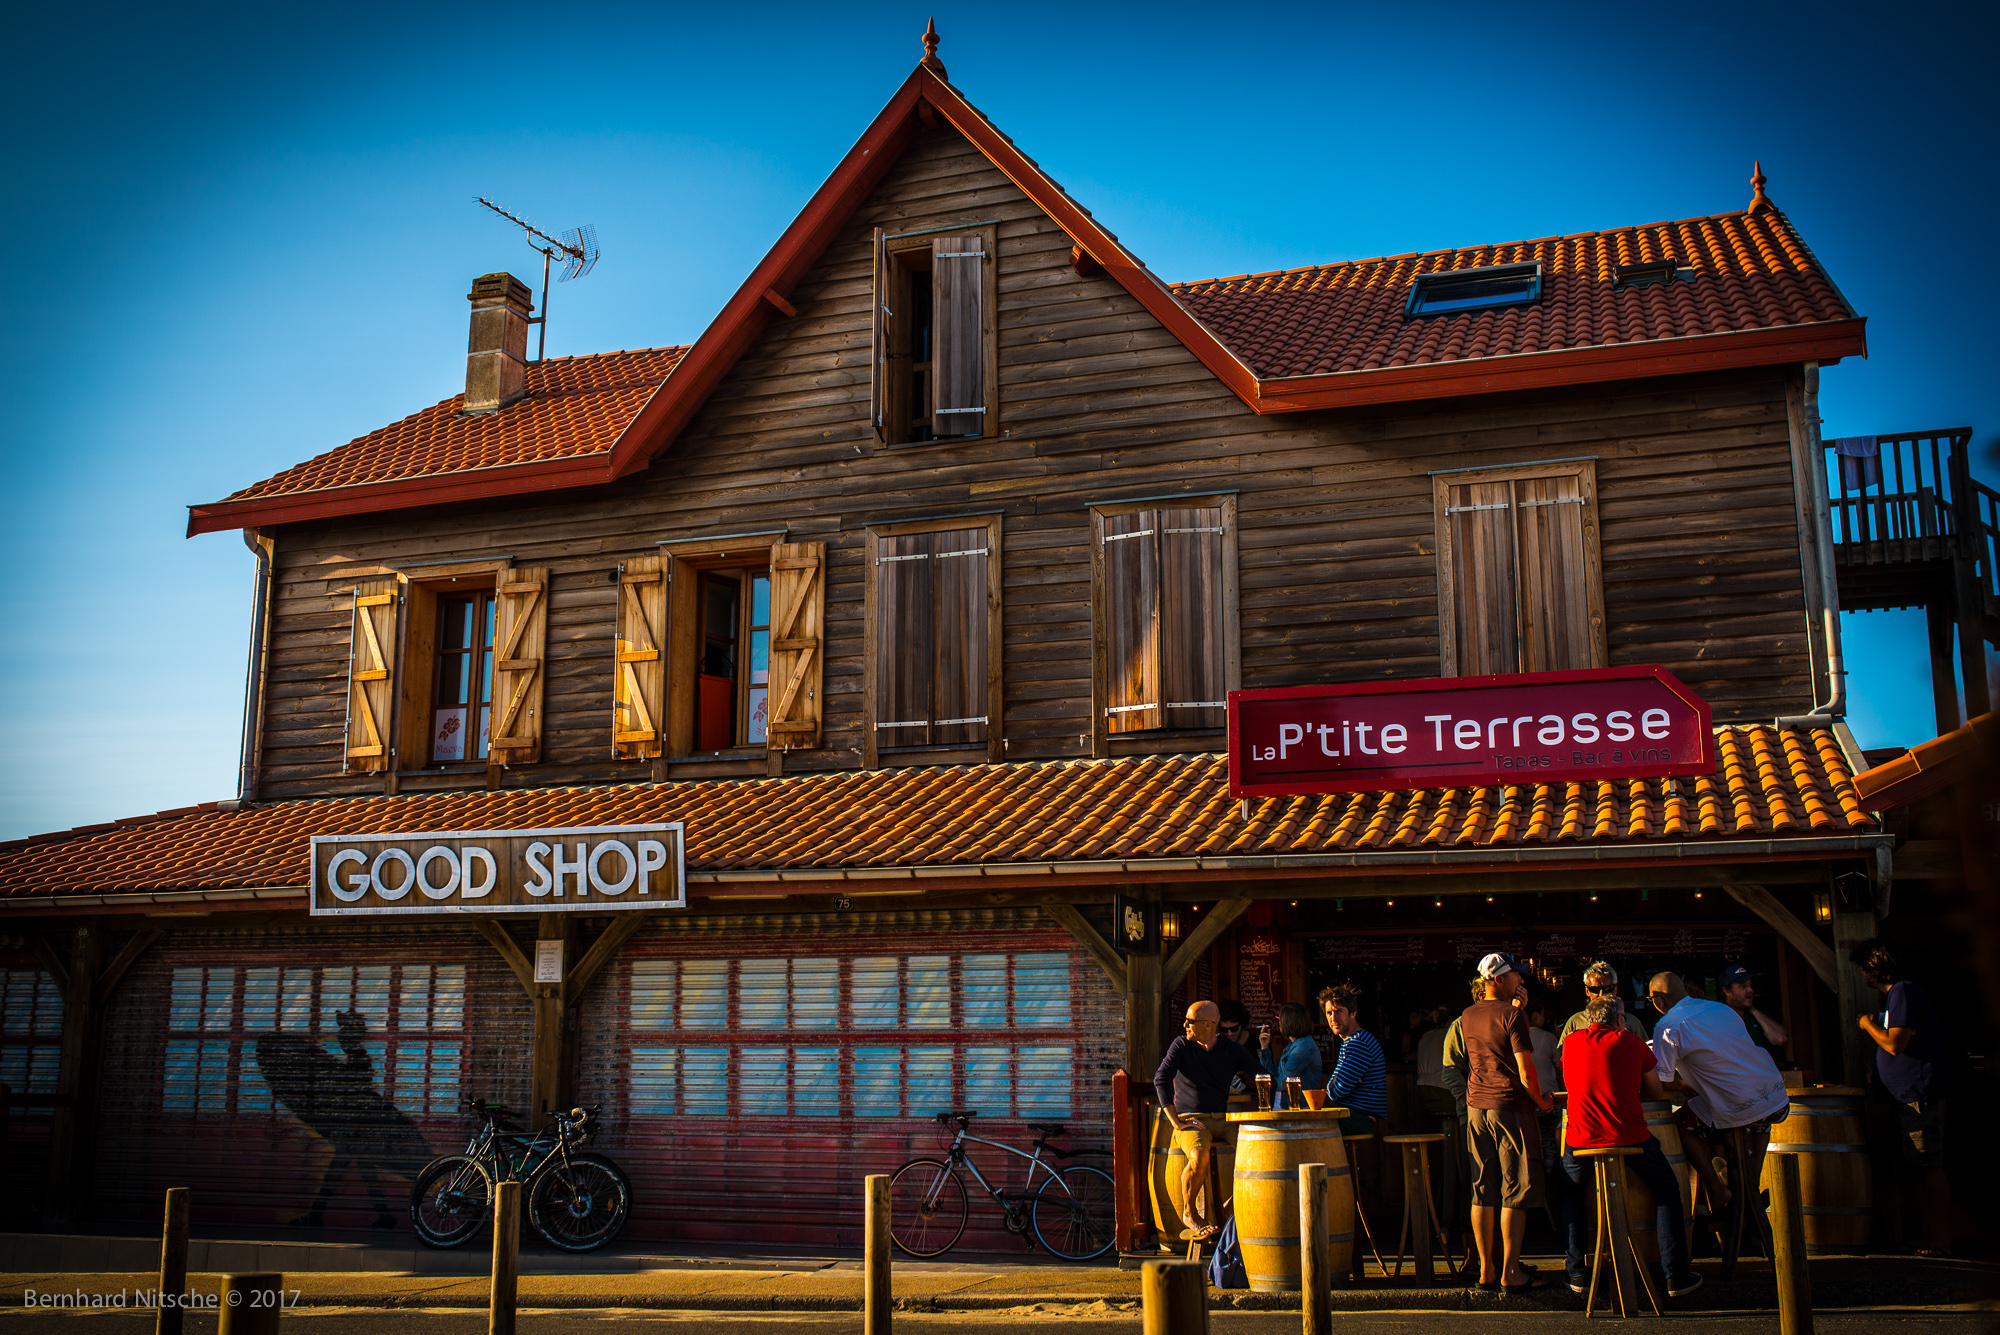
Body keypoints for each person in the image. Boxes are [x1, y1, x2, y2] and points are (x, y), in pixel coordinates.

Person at [1558, 994, 1703, 1297]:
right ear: (1620, 1019)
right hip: (1629, 1136)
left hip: (1581, 1138)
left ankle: (1577, 1274)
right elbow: (1653, 1090)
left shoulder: (1571, 1042)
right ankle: (1675, 1275)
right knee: (1666, 1190)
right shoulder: (1633, 1042)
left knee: (1570, 1193)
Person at [1646, 971, 1788, 1226]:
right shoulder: (1720, 1010)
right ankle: (1751, 1188)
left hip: (1734, 1103)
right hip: (1775, 1096)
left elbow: (1663, 1081)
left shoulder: (1667, 1026)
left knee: (1680, 1124)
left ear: (1658, 1001)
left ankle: (1717, 1188)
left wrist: (1681, 1083)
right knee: (1756, 1113)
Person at [1851, 939, 1952, 1256]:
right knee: (1915, 1167)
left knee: (1928, 1167)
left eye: (1865, 968)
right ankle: (1925, 1236)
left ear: (1875, 966)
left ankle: (1940, 1241)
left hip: (1918, 1094)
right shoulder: (1895, 996)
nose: (1863, 974)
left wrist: (1866, 1024)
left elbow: (1896, 1043)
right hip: (1904, 1095)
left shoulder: (1903, 992)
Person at [1462, 952, 1554, 1292]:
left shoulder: (1468, 1014)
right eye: (1515, 975)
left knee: (1482, 1187)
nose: (1521, 980)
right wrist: (1542, 1101)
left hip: (1476, 1107)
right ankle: (1511, 1271)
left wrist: (1517, 1007)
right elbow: (1526, 1072)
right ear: (1499, 979)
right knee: (1516, 1186)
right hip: (1509, 1106)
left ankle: (1486, 1270)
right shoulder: (1514, 1016)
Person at [1153, 999, 1266, 1239]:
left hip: (1223, 1118)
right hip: (1191, 1119)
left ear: (1207, 1025)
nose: (1184, 1025)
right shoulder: (1181, 1045)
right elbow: (1161, 1078)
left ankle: (1231, 1204)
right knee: (1199, 1155)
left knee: (1260, 1153)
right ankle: (1190, 1212)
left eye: (1190, 1021)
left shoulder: (1230, 1049)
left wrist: (1259, 1087)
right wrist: (1175, 1120)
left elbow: (1261, 1074)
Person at [1320, 984, 1386, 1134]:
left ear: (1353, 1013)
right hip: (1350, 1114)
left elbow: (1337, 1092)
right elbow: (1333, 1088)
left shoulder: (1358, 1043)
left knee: (1312, 1127)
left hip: (1358, 1117)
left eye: (1339, 1012)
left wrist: (1337, 1082)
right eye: (1329, 1013)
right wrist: (1339, 1082)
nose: (1333, 1018)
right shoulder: (1349, 1042)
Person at [1717, 964, 1788, 1063]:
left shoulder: (1757, 1015)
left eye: (1750, 985)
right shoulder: (1716, 1015)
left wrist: (1753, 1010)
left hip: (1759, 1076)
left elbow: (1780, 1039)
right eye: (1743, 986)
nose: (1750, 990)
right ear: (1727, 991)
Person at [1561, 962, 1647, 1041]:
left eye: (1607, 989)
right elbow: (1562, 1055)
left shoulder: (1632, 1022)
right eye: (1595, 989)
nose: (1601, 994)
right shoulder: (1575, 1022)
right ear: (1587, 991)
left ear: (1615, 989)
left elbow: (1645, 1052)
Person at [1259, 1001, 1322, 1108]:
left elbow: (1282, 1083)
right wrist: (1265, 1048)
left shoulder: (1303, 1047)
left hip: (1299, 1108)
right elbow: (1273, 1075)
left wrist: (1268, 1085)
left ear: (1289, 1022)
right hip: (1286, 1105)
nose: (1278, 1022)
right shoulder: (1293, 1046)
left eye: (1279, 1019)